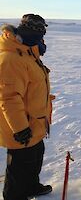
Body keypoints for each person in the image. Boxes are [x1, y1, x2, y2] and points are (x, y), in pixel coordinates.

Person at [0, 14, 53, 200]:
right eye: (39, 35)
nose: (41, 40)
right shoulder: (12, 58)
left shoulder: (28, 53)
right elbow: (9, 98)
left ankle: (31, 187)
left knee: (36, 155)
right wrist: (20, 128)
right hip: (22, 126)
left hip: (35, 121)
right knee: (18, 167)